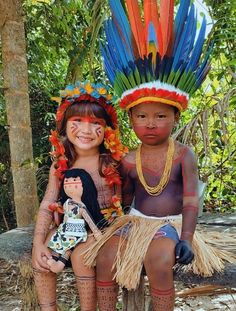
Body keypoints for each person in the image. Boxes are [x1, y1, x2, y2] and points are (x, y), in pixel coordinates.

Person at [83, 1, 235, 311]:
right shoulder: (127, 159)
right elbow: (122, 199)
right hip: (135, 222)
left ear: (176, 118)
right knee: (106, 255)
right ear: (130, 120)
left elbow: (191, 200)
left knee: (161, 259)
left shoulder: (183, 156)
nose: (150, 123)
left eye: (160, 116)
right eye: (141, 116)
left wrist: (188, 238)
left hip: (171, 224)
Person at [32, 81, 127, 311]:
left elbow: (127, 202)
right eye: (77, 121)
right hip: (68, 224)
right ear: (64, 126)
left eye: (95, 123)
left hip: (102, 226)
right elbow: (48, 204)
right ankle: (48, 308)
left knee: (82, 257)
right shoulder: (61, 164)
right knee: (43, 259)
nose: (85, 130)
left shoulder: (113, 162)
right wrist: (37, 242)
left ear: (107, 130)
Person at [47, 168, 102, 273]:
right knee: (58, 240)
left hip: (76, 229)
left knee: (69, 246)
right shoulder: (67, 203)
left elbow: (89, 221)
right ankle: (53, 258)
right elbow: (66, 216)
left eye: (75, 185)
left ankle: (60, 264)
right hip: (65, 226)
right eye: (67, 185)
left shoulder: (82, 208)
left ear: (84, 187)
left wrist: (96, 232)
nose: (70, 188)